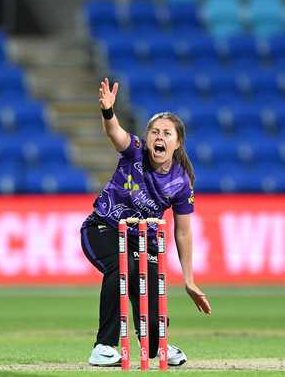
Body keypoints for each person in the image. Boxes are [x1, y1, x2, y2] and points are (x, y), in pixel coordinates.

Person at [81, 78, 212, 367]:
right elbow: (116, 133)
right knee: (122, 265)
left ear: (177, 143)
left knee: (153, 313)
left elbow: (183, 231)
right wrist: (108, 113)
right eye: (154, 131)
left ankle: (157, 343)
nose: (158, 137)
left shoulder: (181, 181)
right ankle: (103, 346)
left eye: (166, 133)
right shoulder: (135, 150)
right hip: (103, 228)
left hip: (143, 240)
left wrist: (189, 279)